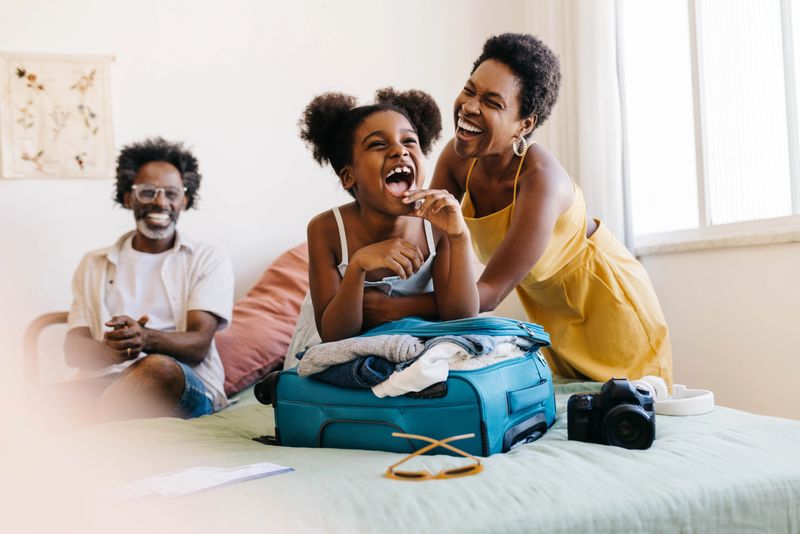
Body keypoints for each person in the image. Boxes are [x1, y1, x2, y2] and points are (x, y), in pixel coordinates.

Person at [403, 34, 673, 383]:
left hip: (612, 311)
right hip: (553, 324)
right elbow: (423, 248)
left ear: (525, 124)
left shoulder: (540, 177)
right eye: (470, 91)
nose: (469, 107)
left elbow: (484, 298)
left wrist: (392, 309)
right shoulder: (458, 159)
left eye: (492, 102)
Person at [284, 88, 478, 370]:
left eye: (409, 141)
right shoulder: (326, 229)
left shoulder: (438, 225)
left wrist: (460, 237)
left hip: (409, 349)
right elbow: (334, 336)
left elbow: (462, 317)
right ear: (348, 176)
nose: (400, 150)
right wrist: (358, 266)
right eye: (377, 145)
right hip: (332, 351)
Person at [62, 137, 234, 421]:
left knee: (157, 369)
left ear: (185, 200)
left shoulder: (208, 259)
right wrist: (109, 351)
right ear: (128, 198)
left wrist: (144, 338)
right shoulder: (94, 263)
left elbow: (198, 345)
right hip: (102, 384)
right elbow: (73, 350)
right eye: (147, 192)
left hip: (182, 383)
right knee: (29, 403)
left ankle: (93, 439)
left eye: (171, 193)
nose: (160, 202)